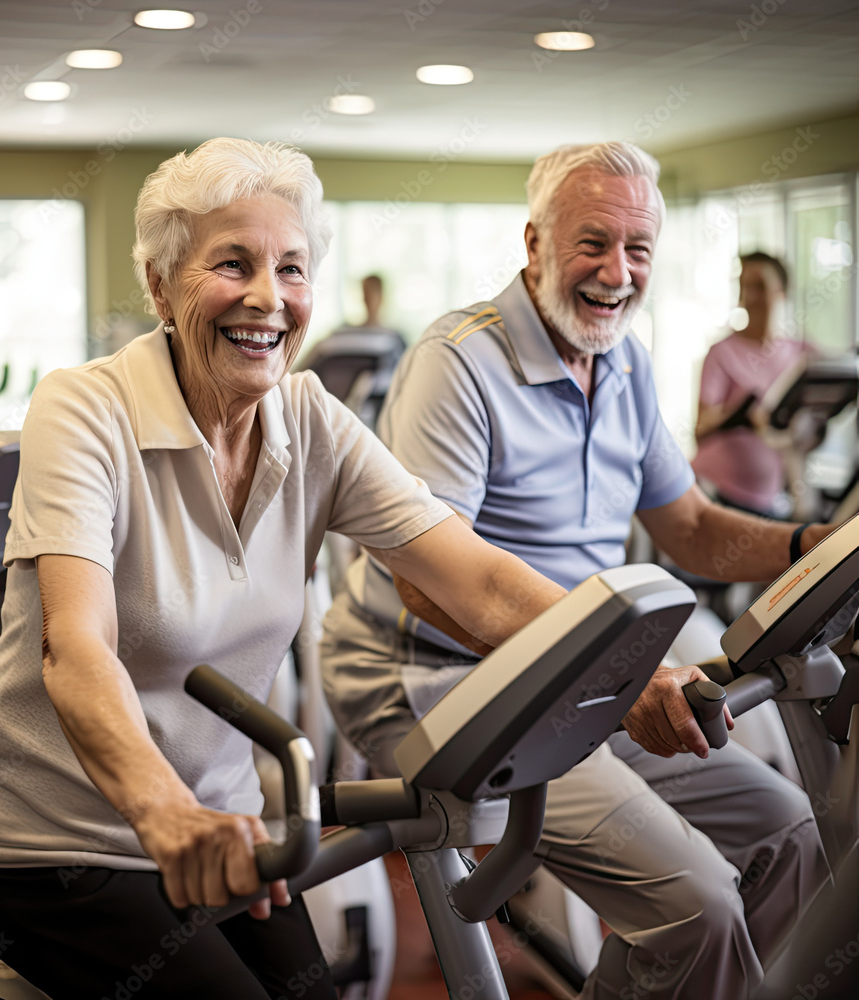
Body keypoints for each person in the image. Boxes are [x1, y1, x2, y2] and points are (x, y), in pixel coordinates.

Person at [0, 138, 576, 1000]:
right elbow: (77, 648)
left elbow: (475, 578)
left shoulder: (309, 416)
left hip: (225, 828)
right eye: (233, 264)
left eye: (291, 267)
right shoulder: (84, 407)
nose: (268, 298)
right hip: (64, 848)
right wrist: (164, 816)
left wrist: (630, 654)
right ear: (160, 285)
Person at [321, 142, 832, 1000]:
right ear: (534, 244)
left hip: (581, 671)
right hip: (434, 673)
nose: (616, 271)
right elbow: (429, 582)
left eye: (637, 249)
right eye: (592, 242)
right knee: (698, 906)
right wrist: (604, 666)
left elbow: (693, 527)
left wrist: (805, 547)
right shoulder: (458, 363)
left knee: (791, 837)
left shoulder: (625, 361)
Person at [692, 252, 815, 516]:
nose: (751, 295)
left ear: (781, 292)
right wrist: (740, 414)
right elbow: (700, 427)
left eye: (760, 285)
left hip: (772, 498)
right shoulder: (721, 352)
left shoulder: (801, 351)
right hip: (717, 491)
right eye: (745, 286)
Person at [296, 273, 406, 403]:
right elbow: (303, 369)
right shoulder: (338, 335)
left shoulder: (394, 340)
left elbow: (403, 379)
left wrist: (371, 382)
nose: (369, 298)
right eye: (366, 292)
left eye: (373, 293)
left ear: (382, 296)